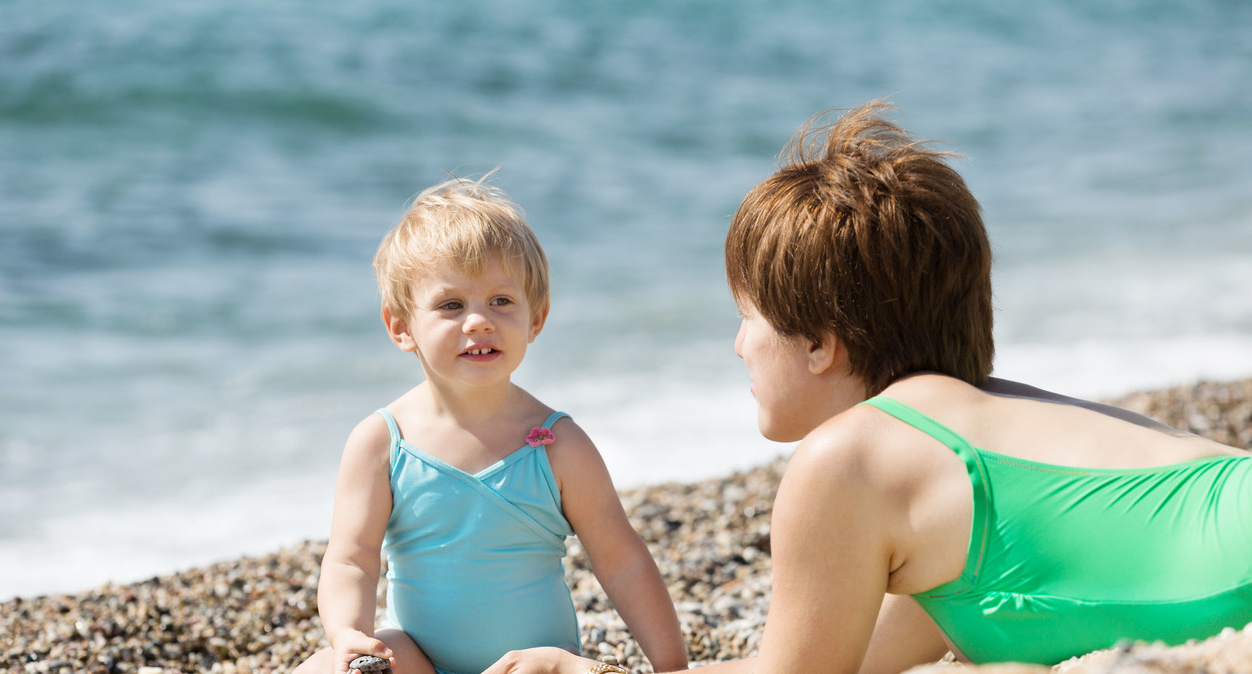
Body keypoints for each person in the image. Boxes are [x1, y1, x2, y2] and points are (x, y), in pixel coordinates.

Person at [482, 101, 1252, 674]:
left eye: (746, 317)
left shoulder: (850, 461)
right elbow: (813, 662)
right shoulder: (951, 459)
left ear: (820, 344)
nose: (738, 344)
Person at [293, 175, 688, 674]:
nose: (478, 321)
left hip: (534, 667)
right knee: (324, 665)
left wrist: (672, 666)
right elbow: (351, 560)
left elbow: (623, 561)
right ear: (401, 327)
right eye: (451, 305)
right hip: (422, 664)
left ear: (536, 318)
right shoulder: (381, 442)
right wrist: (348, 633)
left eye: (501, 301)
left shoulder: (557, 443)